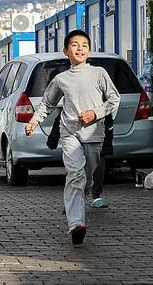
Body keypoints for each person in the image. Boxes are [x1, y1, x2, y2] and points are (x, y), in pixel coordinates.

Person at [25, 29, 120, 245]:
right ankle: (76, 222)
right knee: (76, 174)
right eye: (75, 45)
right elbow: (48, 103)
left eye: (84, 44)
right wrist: (33, 121)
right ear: (66, 51)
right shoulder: (61, 79)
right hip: (70, 134)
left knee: (87, 175)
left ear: (89, 50)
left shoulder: (99, 74)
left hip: (94, 134)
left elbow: (114, 99)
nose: (80, 48)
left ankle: (74, 200)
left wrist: (95, 113)